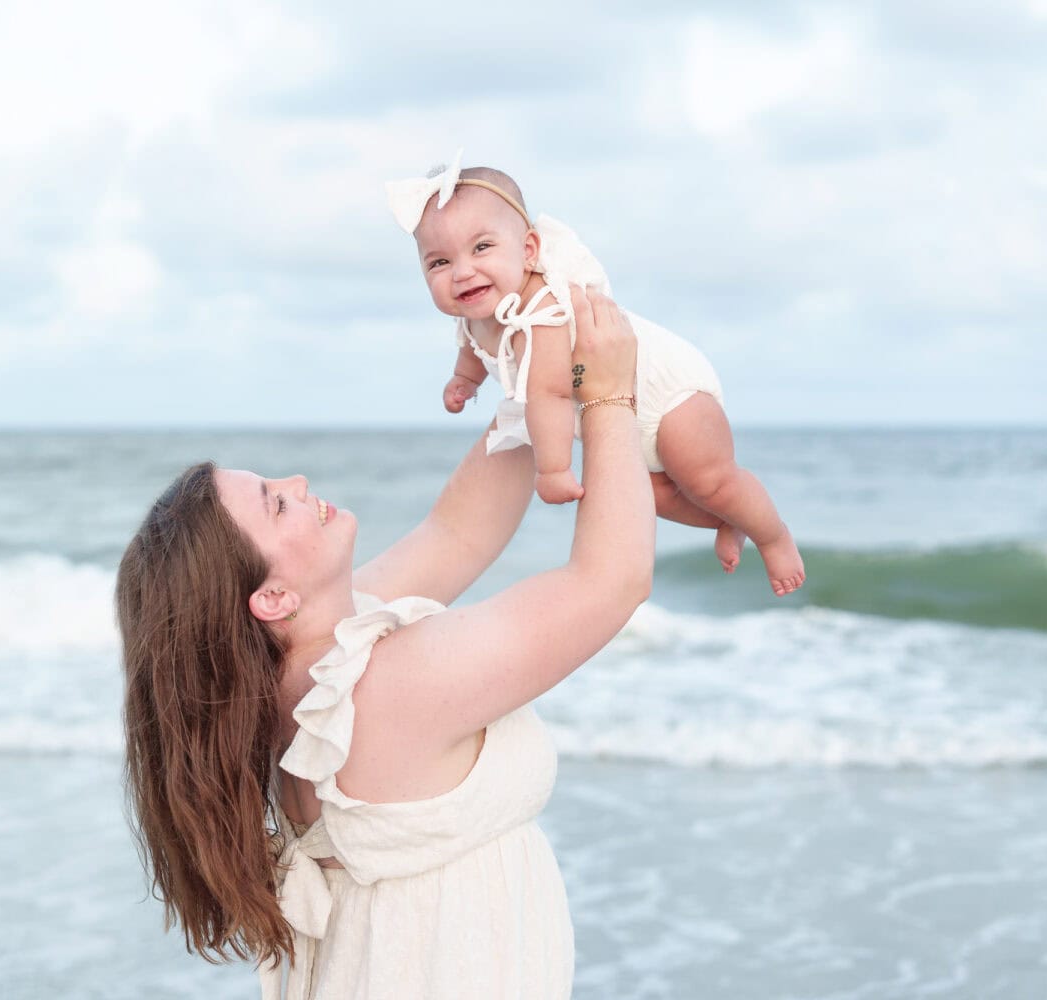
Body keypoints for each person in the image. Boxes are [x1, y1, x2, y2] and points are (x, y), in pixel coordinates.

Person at [117, 288, 651, 999]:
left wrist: (538, 383)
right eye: (275, 502)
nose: (298, 481)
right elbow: (608, 584)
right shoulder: (384, 687)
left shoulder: (303, 670)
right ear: (272, 598)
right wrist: (609, 397)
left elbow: (457, 531)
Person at [386, 152, 806, 596]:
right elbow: (474, 346)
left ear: (528, 250)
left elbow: (547, 393)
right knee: (654, 496)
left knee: (710, 480)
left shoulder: (543, 311)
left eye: (482, 247)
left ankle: (773, 536)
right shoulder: (476, 313)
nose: (462, 271)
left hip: (667, 398)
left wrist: (552, 470)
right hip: (618, 420)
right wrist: (465, 380)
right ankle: (728, 519)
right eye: (439, 263)